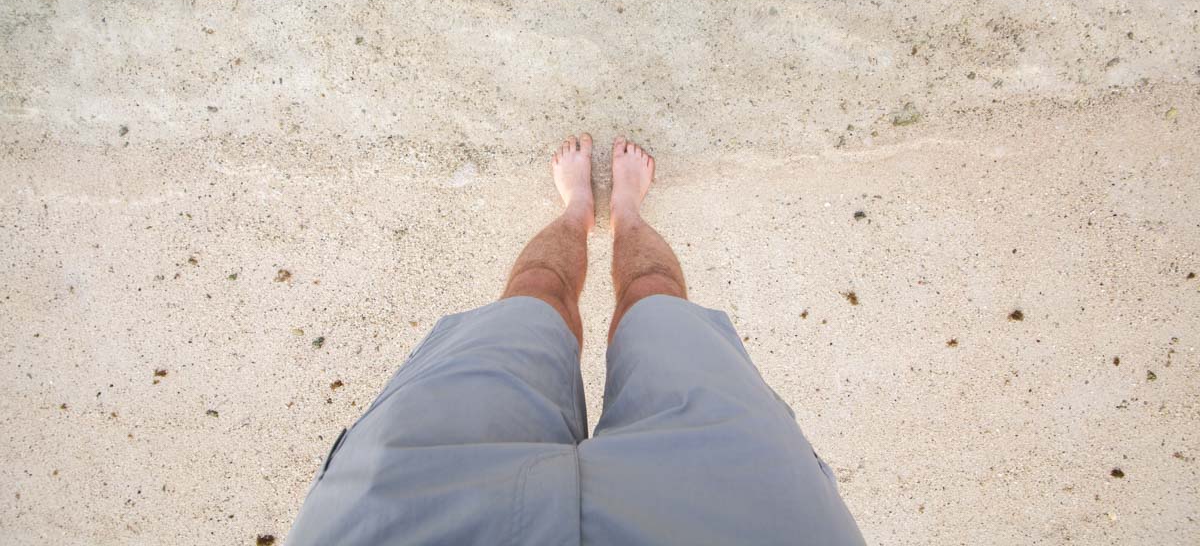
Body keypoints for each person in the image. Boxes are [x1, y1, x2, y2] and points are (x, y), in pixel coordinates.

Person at [288, 134, 865, 545]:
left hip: (409, 512)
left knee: (535, 295)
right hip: (739, 519)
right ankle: (618, 211)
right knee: (655, 299)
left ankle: (584, 212)